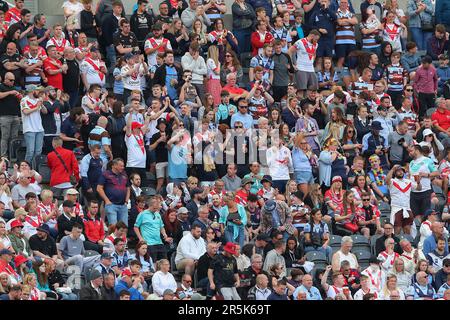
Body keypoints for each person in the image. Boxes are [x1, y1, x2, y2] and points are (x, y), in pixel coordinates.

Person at [134, 196, 171, 262]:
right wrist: (140, 238)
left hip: (159, 242)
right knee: (153, 262)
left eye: (156, 208)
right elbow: (136, 227)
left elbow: (161, 227)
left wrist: (165, 235)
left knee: (164, 261)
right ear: (150, 205)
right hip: (149, 243)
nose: (156, 209)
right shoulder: (142, 214)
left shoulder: (158, 214)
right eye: (154, 208)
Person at [97, 158, 130, 226]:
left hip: (123, 205)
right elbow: (99, 188)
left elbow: (128, 188)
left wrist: (126, 201)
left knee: (124, 227)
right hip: (111, 205)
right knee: (113, 227)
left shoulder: (125, 175)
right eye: (121, 166)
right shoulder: (105, 174)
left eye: (123, 166)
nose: (123, 168)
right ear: (114, 165)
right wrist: (107, 200)